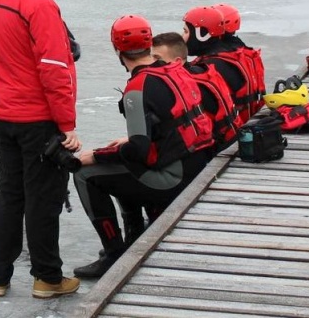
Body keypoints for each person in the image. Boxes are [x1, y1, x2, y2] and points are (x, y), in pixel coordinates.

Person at [0, 0, 81, 299]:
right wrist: (66, 124)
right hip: (37, 118)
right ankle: (47, 278)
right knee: (43, 198)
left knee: (9, 193)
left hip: (4, 114)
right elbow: (55, 67)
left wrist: (4, 96)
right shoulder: (39, 3)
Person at [73, 15, 213, 279]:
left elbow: (138, 150)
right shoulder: (174, 70)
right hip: (198, 166)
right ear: (149, 44)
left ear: (117, 50)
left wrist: (96, 155)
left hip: (175, 180)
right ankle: (135, 236)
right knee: (120, 162)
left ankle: (114, 255)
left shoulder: (137, 88)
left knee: (85, 174)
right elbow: (170, 127)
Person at [183, 5, 265, 133]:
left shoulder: (211, 67)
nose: (182, 37)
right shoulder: (244, 54)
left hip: (235, 133)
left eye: (186, 31)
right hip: (251, 118)